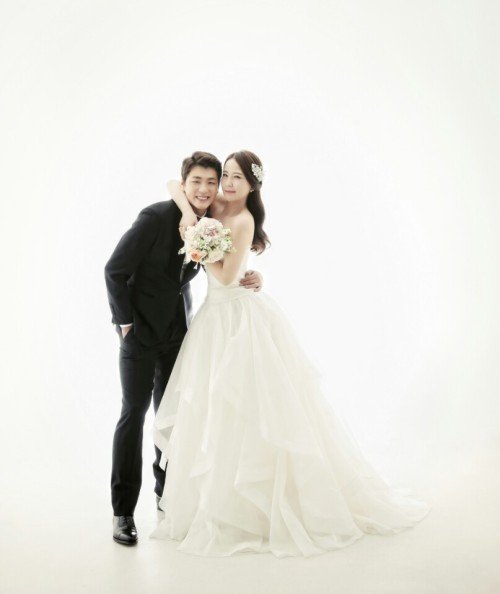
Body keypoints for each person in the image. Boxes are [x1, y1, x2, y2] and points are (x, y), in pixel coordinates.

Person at [151, 149, 429, 558]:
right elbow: (173, 185)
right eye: (225, 175)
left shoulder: (242, 220)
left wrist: (196, 240)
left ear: (252, 186)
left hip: (237, 320)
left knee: (249, 409)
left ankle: (256, 507)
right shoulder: (216, 204)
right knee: (214, 410)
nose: (226, 184)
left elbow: (226, 276)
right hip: (213, 320)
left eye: (236, 178)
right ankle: (215, 501)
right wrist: (189, 217)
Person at [104, 151, 263, 546]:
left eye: (212, 181)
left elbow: (228, 262)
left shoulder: (211, 220)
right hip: (139, 335)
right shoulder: (156, 218)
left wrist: (251, 275)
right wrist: (125, 324)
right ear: (186, 182)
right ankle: (123, 512)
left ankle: (167, 496)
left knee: (172, 417)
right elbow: (114, 270)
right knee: (133, 415)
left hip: (179, 333)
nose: (206, 189)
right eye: (197, 181)